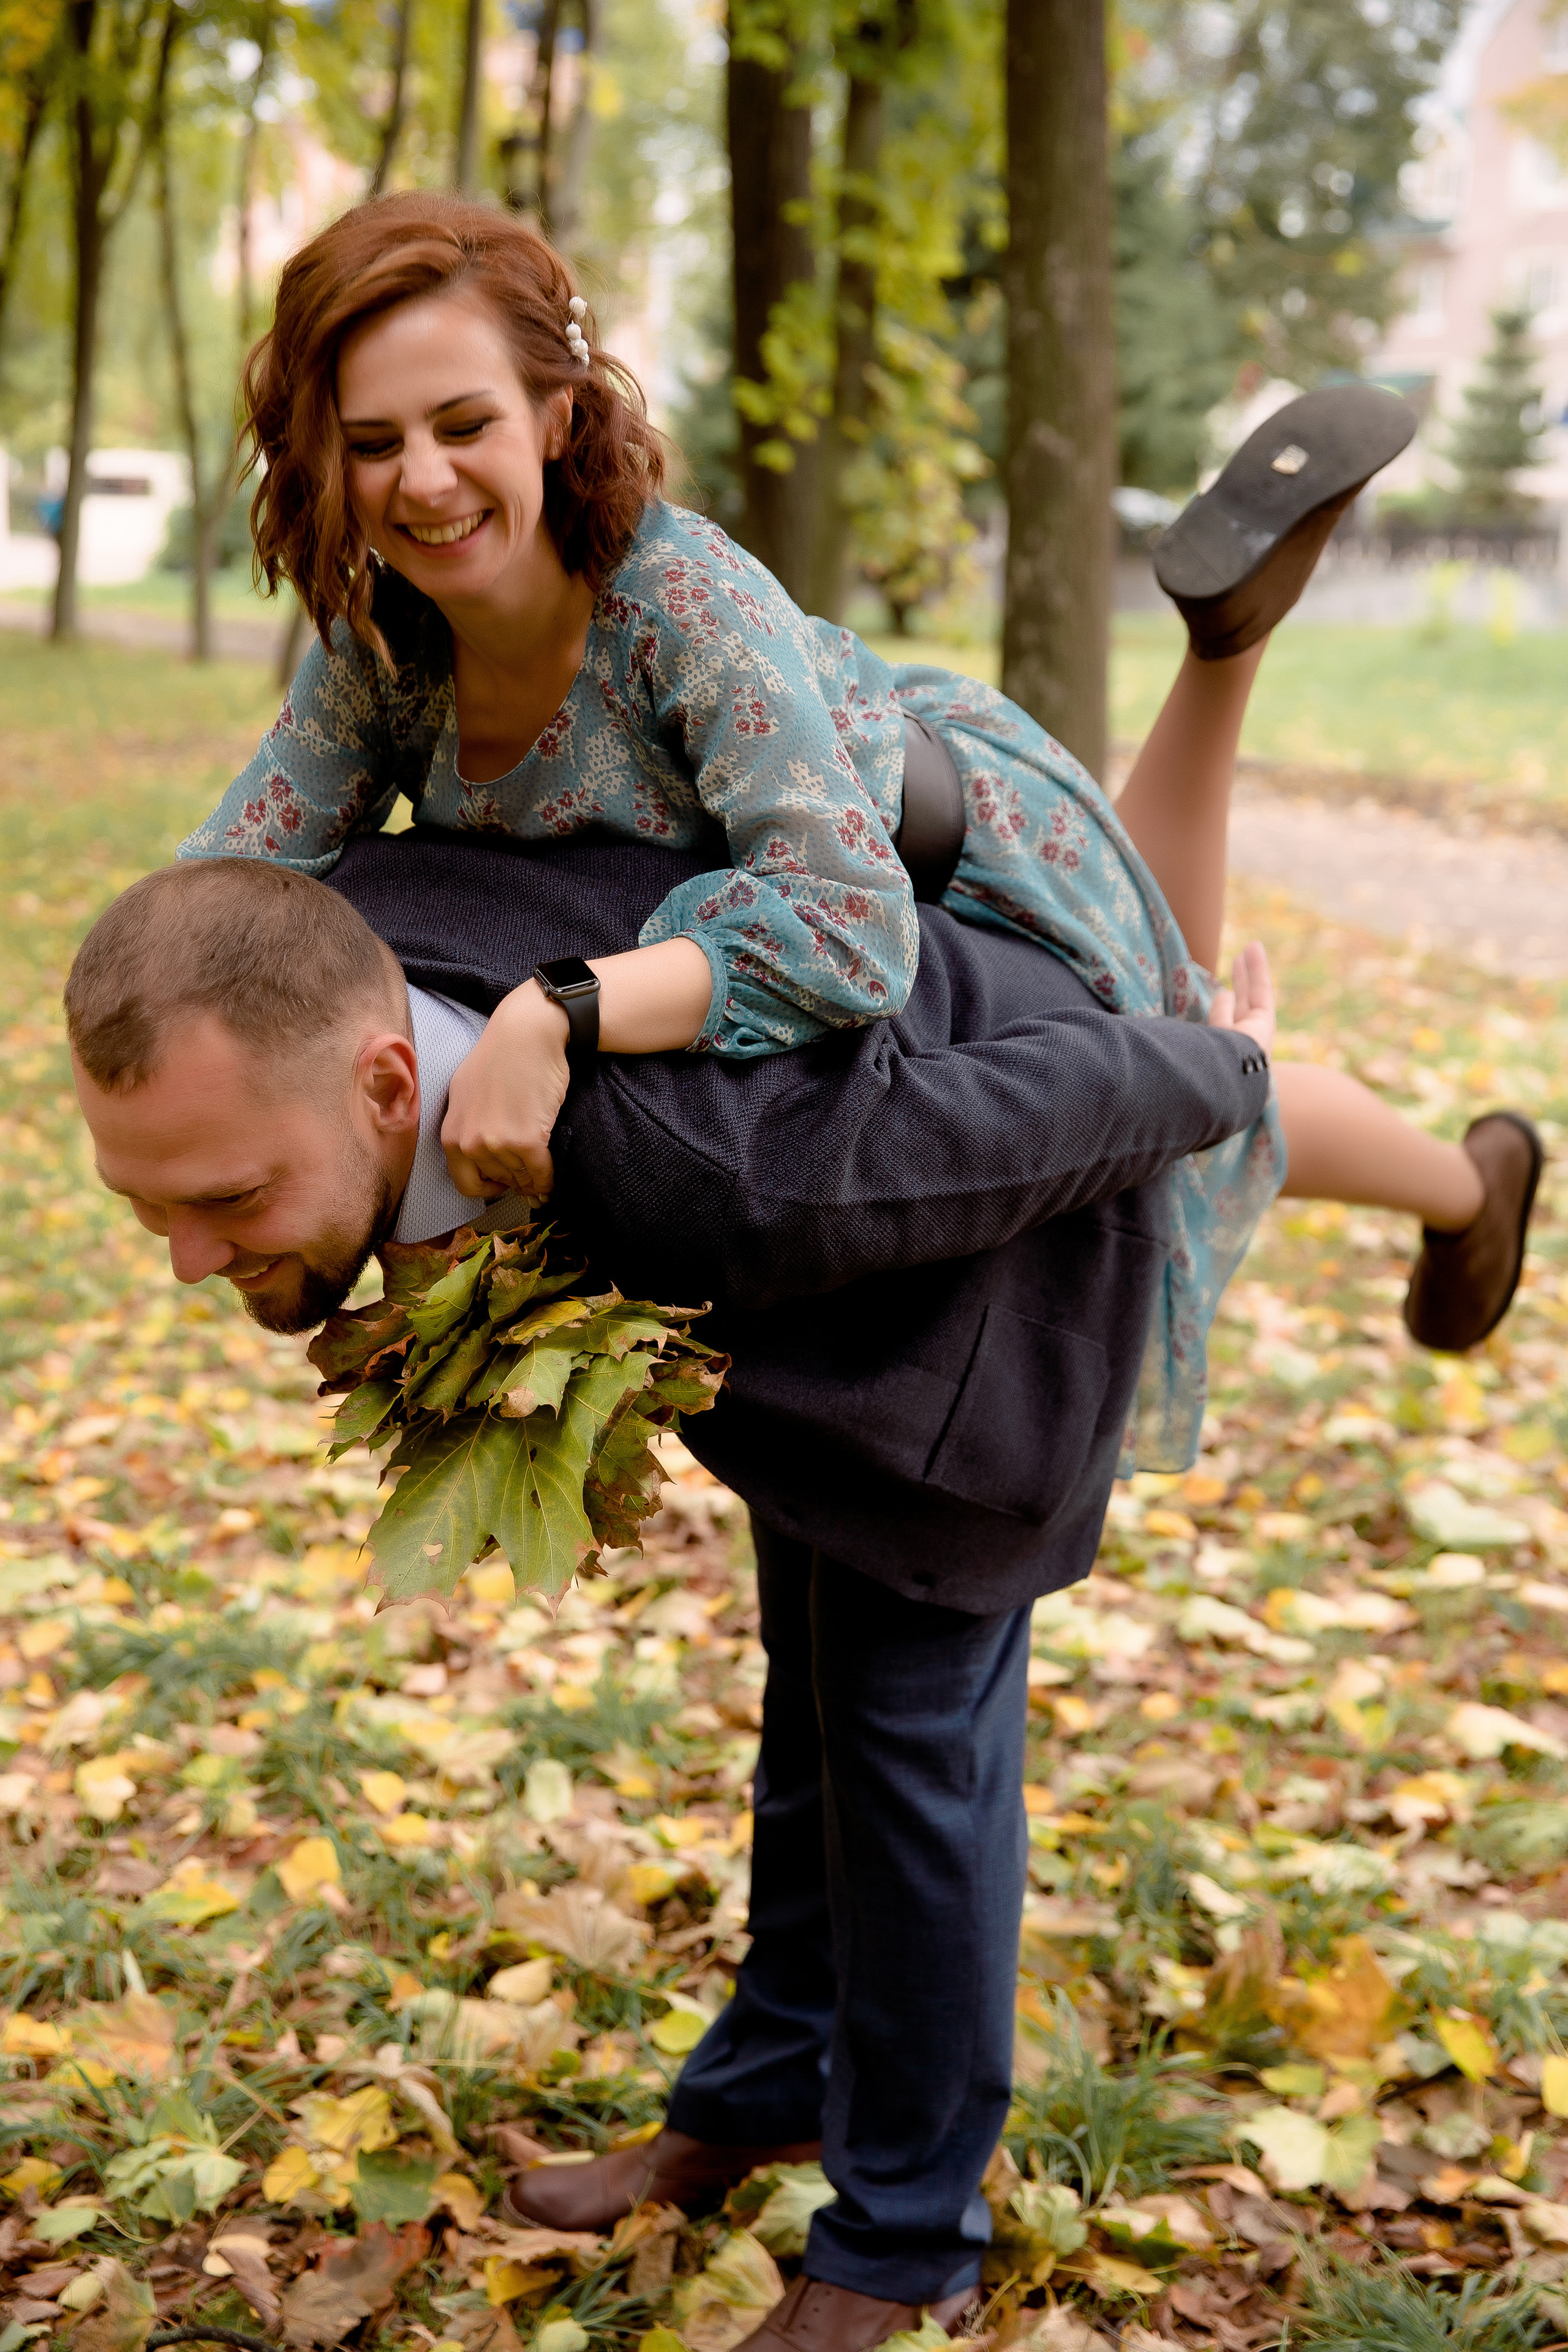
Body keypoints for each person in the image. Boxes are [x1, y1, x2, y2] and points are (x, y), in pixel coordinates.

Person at [65, 834, 1275, 2351]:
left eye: (229, 1198)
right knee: (813, 1713)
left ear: (388, 1087)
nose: (186, 1262)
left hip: (983, 1321)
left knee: (910, 1759)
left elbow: (1035, 1112)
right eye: (148, 1206)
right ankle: (765, 2094)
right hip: (801, 1345)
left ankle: (905, 2240)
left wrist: (1225, 1066)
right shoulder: (316, 960)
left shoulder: (703, 1161)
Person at [181, 191, 1539, 1473]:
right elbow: (225, 893)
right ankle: (1224, 648)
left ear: (554, 413)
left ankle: (1471, 1192)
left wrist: (552, 1015)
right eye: (373, 444)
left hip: (958, 869)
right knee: (1184, 1038)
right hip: (831, 891)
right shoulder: (381, 654)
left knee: (1190, 1077)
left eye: (461, 424)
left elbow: (844, 927)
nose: (421, 482)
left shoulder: (674, 603)